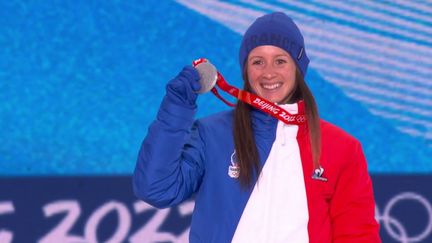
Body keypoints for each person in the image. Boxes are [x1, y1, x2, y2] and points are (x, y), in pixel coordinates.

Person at [133, 12, 381, 243]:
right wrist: (177, 108)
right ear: (245, 70)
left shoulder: (340, 147)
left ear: (298, 69)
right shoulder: (213, 134)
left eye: (280, 61)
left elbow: (358, 235)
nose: (268, 73)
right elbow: (156, 189)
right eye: (258, 62)